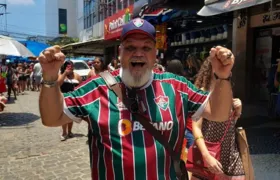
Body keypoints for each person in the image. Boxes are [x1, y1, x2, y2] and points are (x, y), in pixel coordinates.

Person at [39, 18, 235, 179]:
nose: (138, 53)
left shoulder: (177, 87)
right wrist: (49, 77)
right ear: (120, 53)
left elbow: (218, 114)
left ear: (155, 54)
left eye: (146, 48)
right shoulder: (95, 88)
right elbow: (52, 118)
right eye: (130, 47)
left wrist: (223, 76)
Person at [191, 59, 245, 180]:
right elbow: (196, 127)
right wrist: (207, 157)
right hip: (208, 155)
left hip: (230, 154)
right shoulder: (202, 94)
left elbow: (229, 125)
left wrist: (238, 112)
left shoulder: (227, 91)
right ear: (211, 70)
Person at [58, 60, 82, 141]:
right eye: (68, 66)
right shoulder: (61, 75)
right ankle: (64, 132)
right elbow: (58, 84)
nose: (70, 68)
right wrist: (65, 73)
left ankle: (70, 131)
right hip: (63, 97)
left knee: (71, 115)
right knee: (64, 115)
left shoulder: (77, 76)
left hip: (73, 98)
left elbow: (81, 86)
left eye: (71, 66)